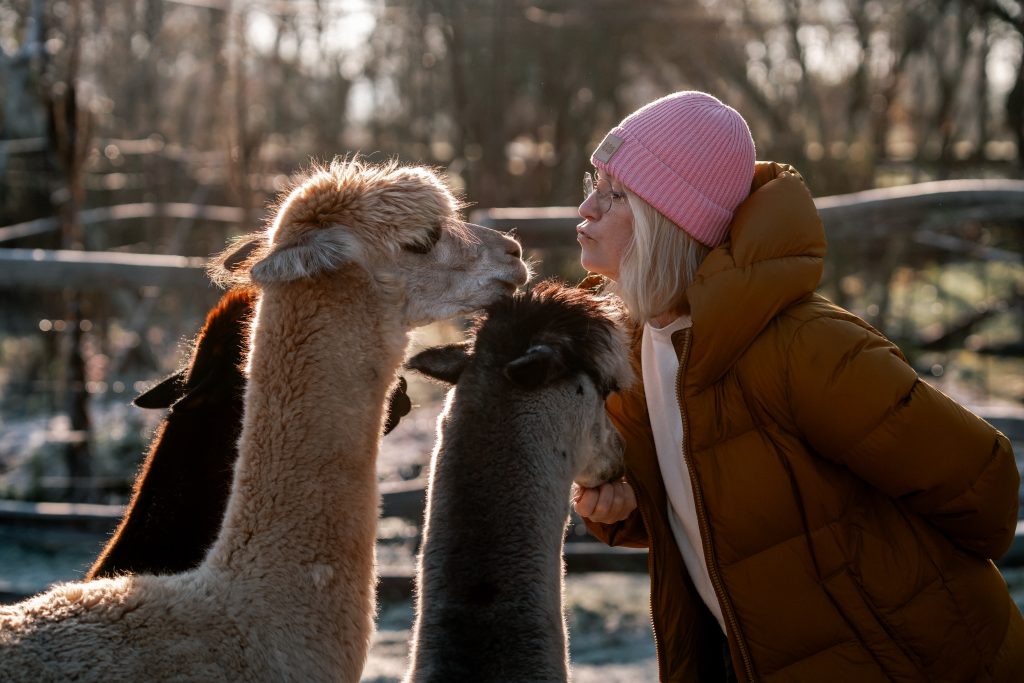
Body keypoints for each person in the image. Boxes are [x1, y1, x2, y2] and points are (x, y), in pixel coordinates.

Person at [571, 90, 1024, 682]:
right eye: (595, 183)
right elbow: (719, 507)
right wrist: (632, 505)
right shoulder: (633, 348)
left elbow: (985, 492)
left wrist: (865, 576)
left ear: (669, 222)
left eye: (615, 194)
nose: (587, 206)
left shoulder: (805, 347)